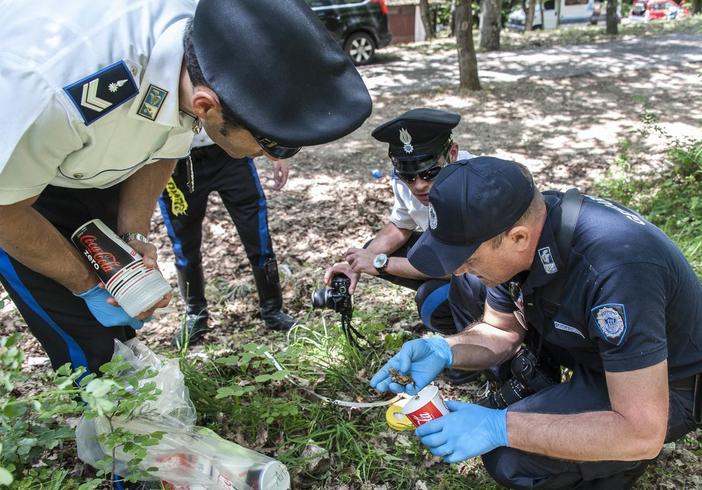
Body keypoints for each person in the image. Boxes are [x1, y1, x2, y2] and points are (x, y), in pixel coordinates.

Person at [0, 0, 371, 377]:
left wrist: (133, 233)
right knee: (83, 337)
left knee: (122, 316)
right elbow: (5, 210)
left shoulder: (207, 48)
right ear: (206, 105)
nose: (267, 155)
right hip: (13, 185)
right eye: (272, 145)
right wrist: (85, 282)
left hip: (88, 163)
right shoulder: (60, 93)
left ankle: (133, 409)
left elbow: (165, 144)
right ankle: (107, 424)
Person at [371, 157, 702, 488]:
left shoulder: (616, 269)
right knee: (468, 288)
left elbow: (640, 430)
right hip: (595, 356)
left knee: (510, 458)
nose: (456, 267)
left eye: (465, 256)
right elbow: (501, 330)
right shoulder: (524, 228)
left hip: (668, 385)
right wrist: (443, 350)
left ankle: (616, 468)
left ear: (517, 238)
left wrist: (500, 428)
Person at [324, 109, 487, 383]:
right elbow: (401, 225)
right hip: (448, 256)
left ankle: (477, 355)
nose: (420, 185)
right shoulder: (408, 179)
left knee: (433, 299)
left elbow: (472, 266)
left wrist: (381, 264)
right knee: (373, 248)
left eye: (430, 173)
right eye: (409, 176)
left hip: (490, 276)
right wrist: (358, 263)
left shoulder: (476, 185)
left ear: (453, 153)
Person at [160, 130, 296, 348]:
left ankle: (273, 309)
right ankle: (195, 314)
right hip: (175, 161)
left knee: (257, 235)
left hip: (228, 150)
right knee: (184, 245)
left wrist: (279, 152)